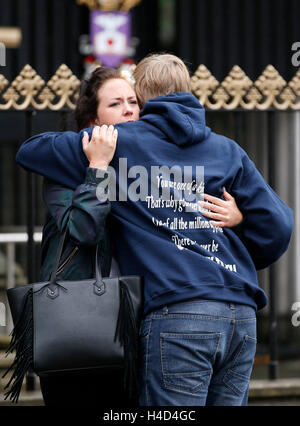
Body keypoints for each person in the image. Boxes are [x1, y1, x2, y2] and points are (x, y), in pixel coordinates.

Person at [16, 54, 293, 406]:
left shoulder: (122, 143)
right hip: (241, 313)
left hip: (177, 314)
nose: (129, 108)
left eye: (132, 100)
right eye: (117, 103)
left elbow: (30, 151)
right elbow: (279, 225)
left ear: (143, 97)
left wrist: (98, 152)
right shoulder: (227, 150)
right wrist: (237, 233)